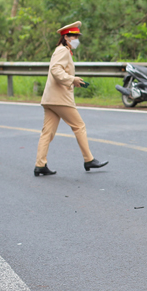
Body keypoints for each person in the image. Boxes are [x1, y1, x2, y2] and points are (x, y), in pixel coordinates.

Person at [34, 21, 108, 176]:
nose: (76, 39)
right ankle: (89, 159)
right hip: (60, 99)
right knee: (79, 126)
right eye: (73, 36)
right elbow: (56, 70)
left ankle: (40, 164)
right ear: (66, 37)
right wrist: (71, 79)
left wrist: (74, 81)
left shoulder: (61, 50)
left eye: (77, 36)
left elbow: (59, 71)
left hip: (50, 99)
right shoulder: (63, 51)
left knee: (47, 132)